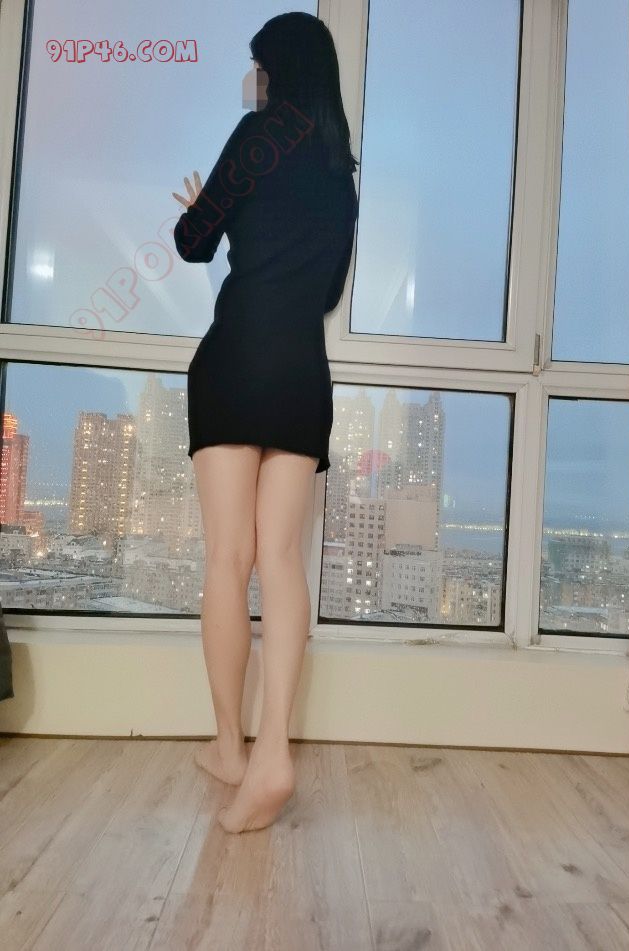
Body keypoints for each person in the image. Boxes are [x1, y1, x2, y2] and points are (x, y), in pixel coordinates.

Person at [171, 12, 359, 834]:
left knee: (229, 557)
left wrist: (201, 208)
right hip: (301, 373)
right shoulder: (340, 169)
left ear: (276, 69)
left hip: (236, 357)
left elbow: (192, 241)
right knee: (281, 560)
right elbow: (328, 293)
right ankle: (275, 748)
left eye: (256, 65)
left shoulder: (257, 135)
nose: (250, 79)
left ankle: (229, 747)